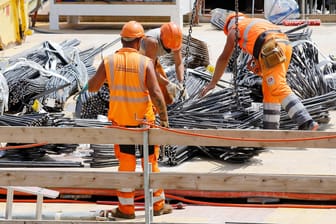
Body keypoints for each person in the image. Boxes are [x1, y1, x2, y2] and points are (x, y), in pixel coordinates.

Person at [87, 21, 172, 219]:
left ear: (122, 39)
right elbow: (156, 93)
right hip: (144, 124)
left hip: (122, 123)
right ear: (140, 40)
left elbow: (92, 87)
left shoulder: (109, 61)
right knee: (150, 164)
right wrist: (164, 119)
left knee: (126, 165)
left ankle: (126, 209)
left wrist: (102, 79)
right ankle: (158, 205)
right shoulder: (145, 62)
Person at [199, 12, 319, 131]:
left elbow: (224, 58)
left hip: (271, 48)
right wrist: (258, 62)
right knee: (269, 89)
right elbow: (261, 38)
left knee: (277, 85)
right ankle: (270, 129)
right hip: (285, 47)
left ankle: (305, 120)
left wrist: (213, 83)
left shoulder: (234, 29)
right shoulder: (254, 22)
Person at [139, 22, 186, 105]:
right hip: (138, 62)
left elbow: (178, 63)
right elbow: (150, 71)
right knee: (150, 89)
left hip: (151, 60)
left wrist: (181, 81)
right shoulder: (152, 42)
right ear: (161, 38)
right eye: (169, 47)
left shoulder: (175, 39)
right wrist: (168, 84)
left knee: (165, 94)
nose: (171, 49)